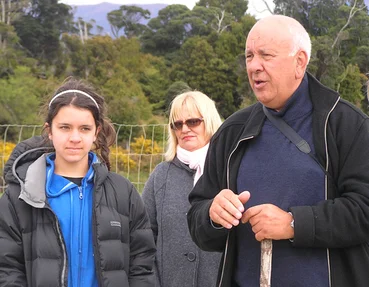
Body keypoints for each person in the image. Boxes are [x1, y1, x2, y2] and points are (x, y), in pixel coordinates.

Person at [187, 14, 369, 287]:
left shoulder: (346, 124)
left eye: (266, 55)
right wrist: (213, 214)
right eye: (249, 56)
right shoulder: (232, 132)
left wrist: (294, 224)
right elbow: (197, 219)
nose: (254, 66)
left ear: (300, 62)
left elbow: (364, 210)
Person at [0, 78, 156, 286]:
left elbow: (143, 265)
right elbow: (7, 268)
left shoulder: (123, 192)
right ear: (49, 130)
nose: (75, 137)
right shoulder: (19, 196)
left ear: (96, 132)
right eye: (65, 127)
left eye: (84, 128)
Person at [142, 91, 223, 287]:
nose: (184, 129)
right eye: (177, 124)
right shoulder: (161, 175)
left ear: (210, 121)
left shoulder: (228, 171)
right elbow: (143, 237)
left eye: (193, 122)